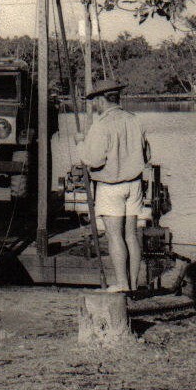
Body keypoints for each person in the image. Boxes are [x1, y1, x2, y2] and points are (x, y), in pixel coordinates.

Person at [76, 78, 150, 293]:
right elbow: (147, 154)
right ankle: (134, 284)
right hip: (134, 185)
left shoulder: (101, 125)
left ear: (101, 100)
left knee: (114, 236)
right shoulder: (135, 120)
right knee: (131, 235)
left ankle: (122, 284)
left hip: (111, 187)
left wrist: (80, 142)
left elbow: (94, 160)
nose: (93, 106)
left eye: (94, 101)